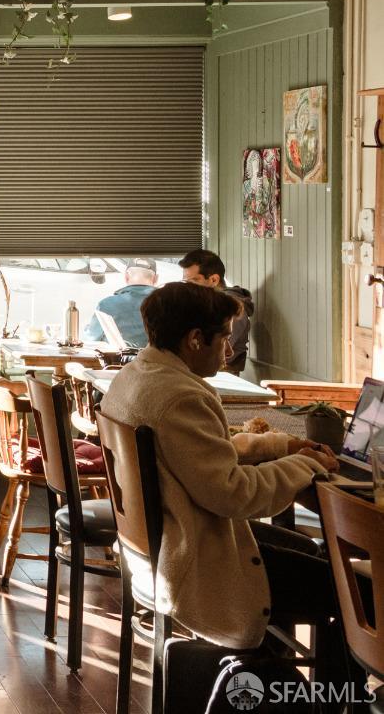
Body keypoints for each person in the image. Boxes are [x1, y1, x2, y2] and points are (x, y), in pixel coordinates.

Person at [98, 283, 356, 685]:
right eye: (224, 336)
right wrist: (304, 464)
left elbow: (201, 456)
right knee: (349, 590)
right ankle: (322, 698)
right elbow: (234, 494)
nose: (231, 349)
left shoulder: (139, 377)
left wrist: (279, 445)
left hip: (159, 550)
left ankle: (270, 669)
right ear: (195, 339)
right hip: (192, 562)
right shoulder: (180, 396)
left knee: (308, 551)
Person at [179, 249, 256, 373]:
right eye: (185, 282)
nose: (187, 287)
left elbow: (213, 349)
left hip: (222, 376)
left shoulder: (229, 307)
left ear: (214, 280)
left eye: (193, 281)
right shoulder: (206, 304)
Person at [84, 258, 159, 348]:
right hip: (157, 361)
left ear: (126, 277)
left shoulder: (105, 305)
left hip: (116, 361)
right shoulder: (169, 306)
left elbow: (91, 339)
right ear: (155, 279)